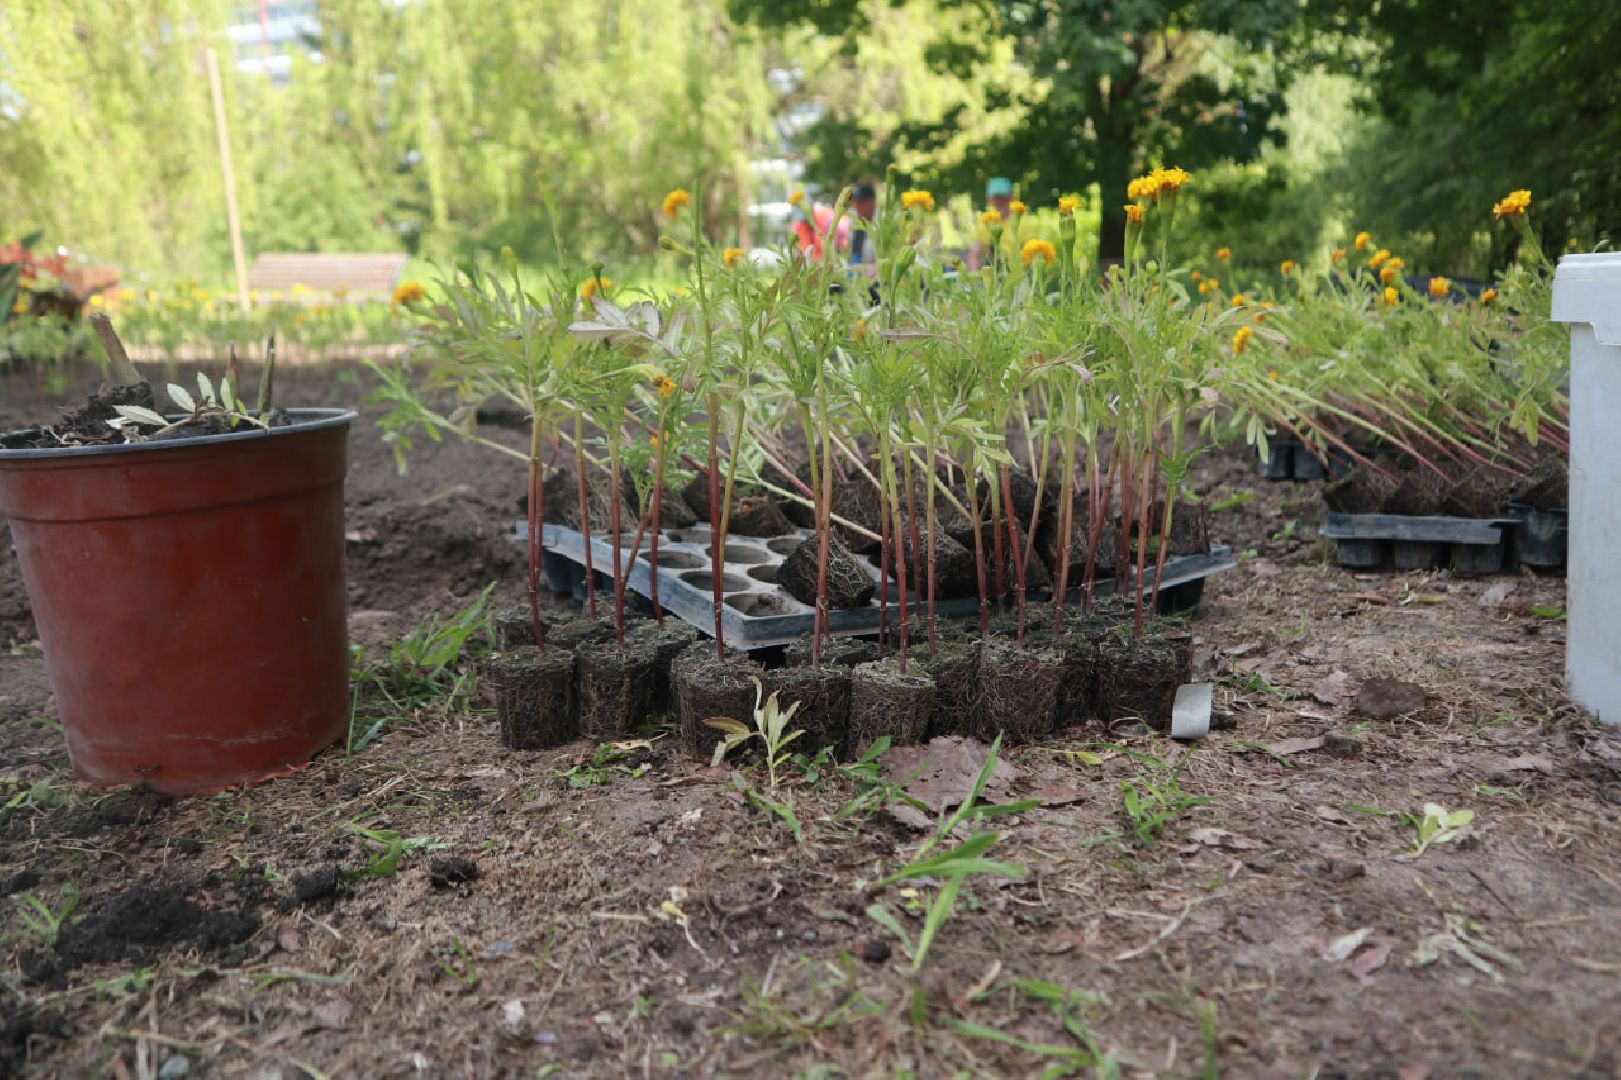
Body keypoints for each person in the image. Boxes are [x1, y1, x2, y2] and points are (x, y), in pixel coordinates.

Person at [967, 176, 1015, 271]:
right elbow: (975, 254)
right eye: (995, 198)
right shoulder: (985, 221)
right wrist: (975, 276)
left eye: (1003, 197)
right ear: (988, 199)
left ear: (1011, 198)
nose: (999, 201)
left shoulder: (1022, 221)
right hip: (993, 271)